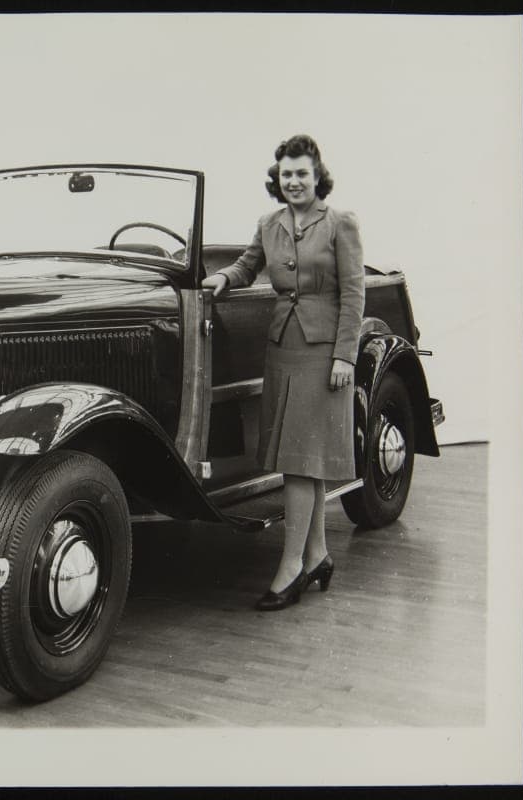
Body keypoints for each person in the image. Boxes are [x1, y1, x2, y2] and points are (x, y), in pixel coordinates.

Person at [202, 134, 365, 611]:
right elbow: (248, 265)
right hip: (282, 350)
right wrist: (223, 279)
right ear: (278, 177)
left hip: (322, 355)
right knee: (304, 462)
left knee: (299, 463)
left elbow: (354, 295)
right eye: (286, 173)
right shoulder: (268, 223)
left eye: (302, 173)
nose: (294, 181)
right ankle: (317, 556)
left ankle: (290, 568)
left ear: (318, 177)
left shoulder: (340, 224)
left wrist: (344, 357)